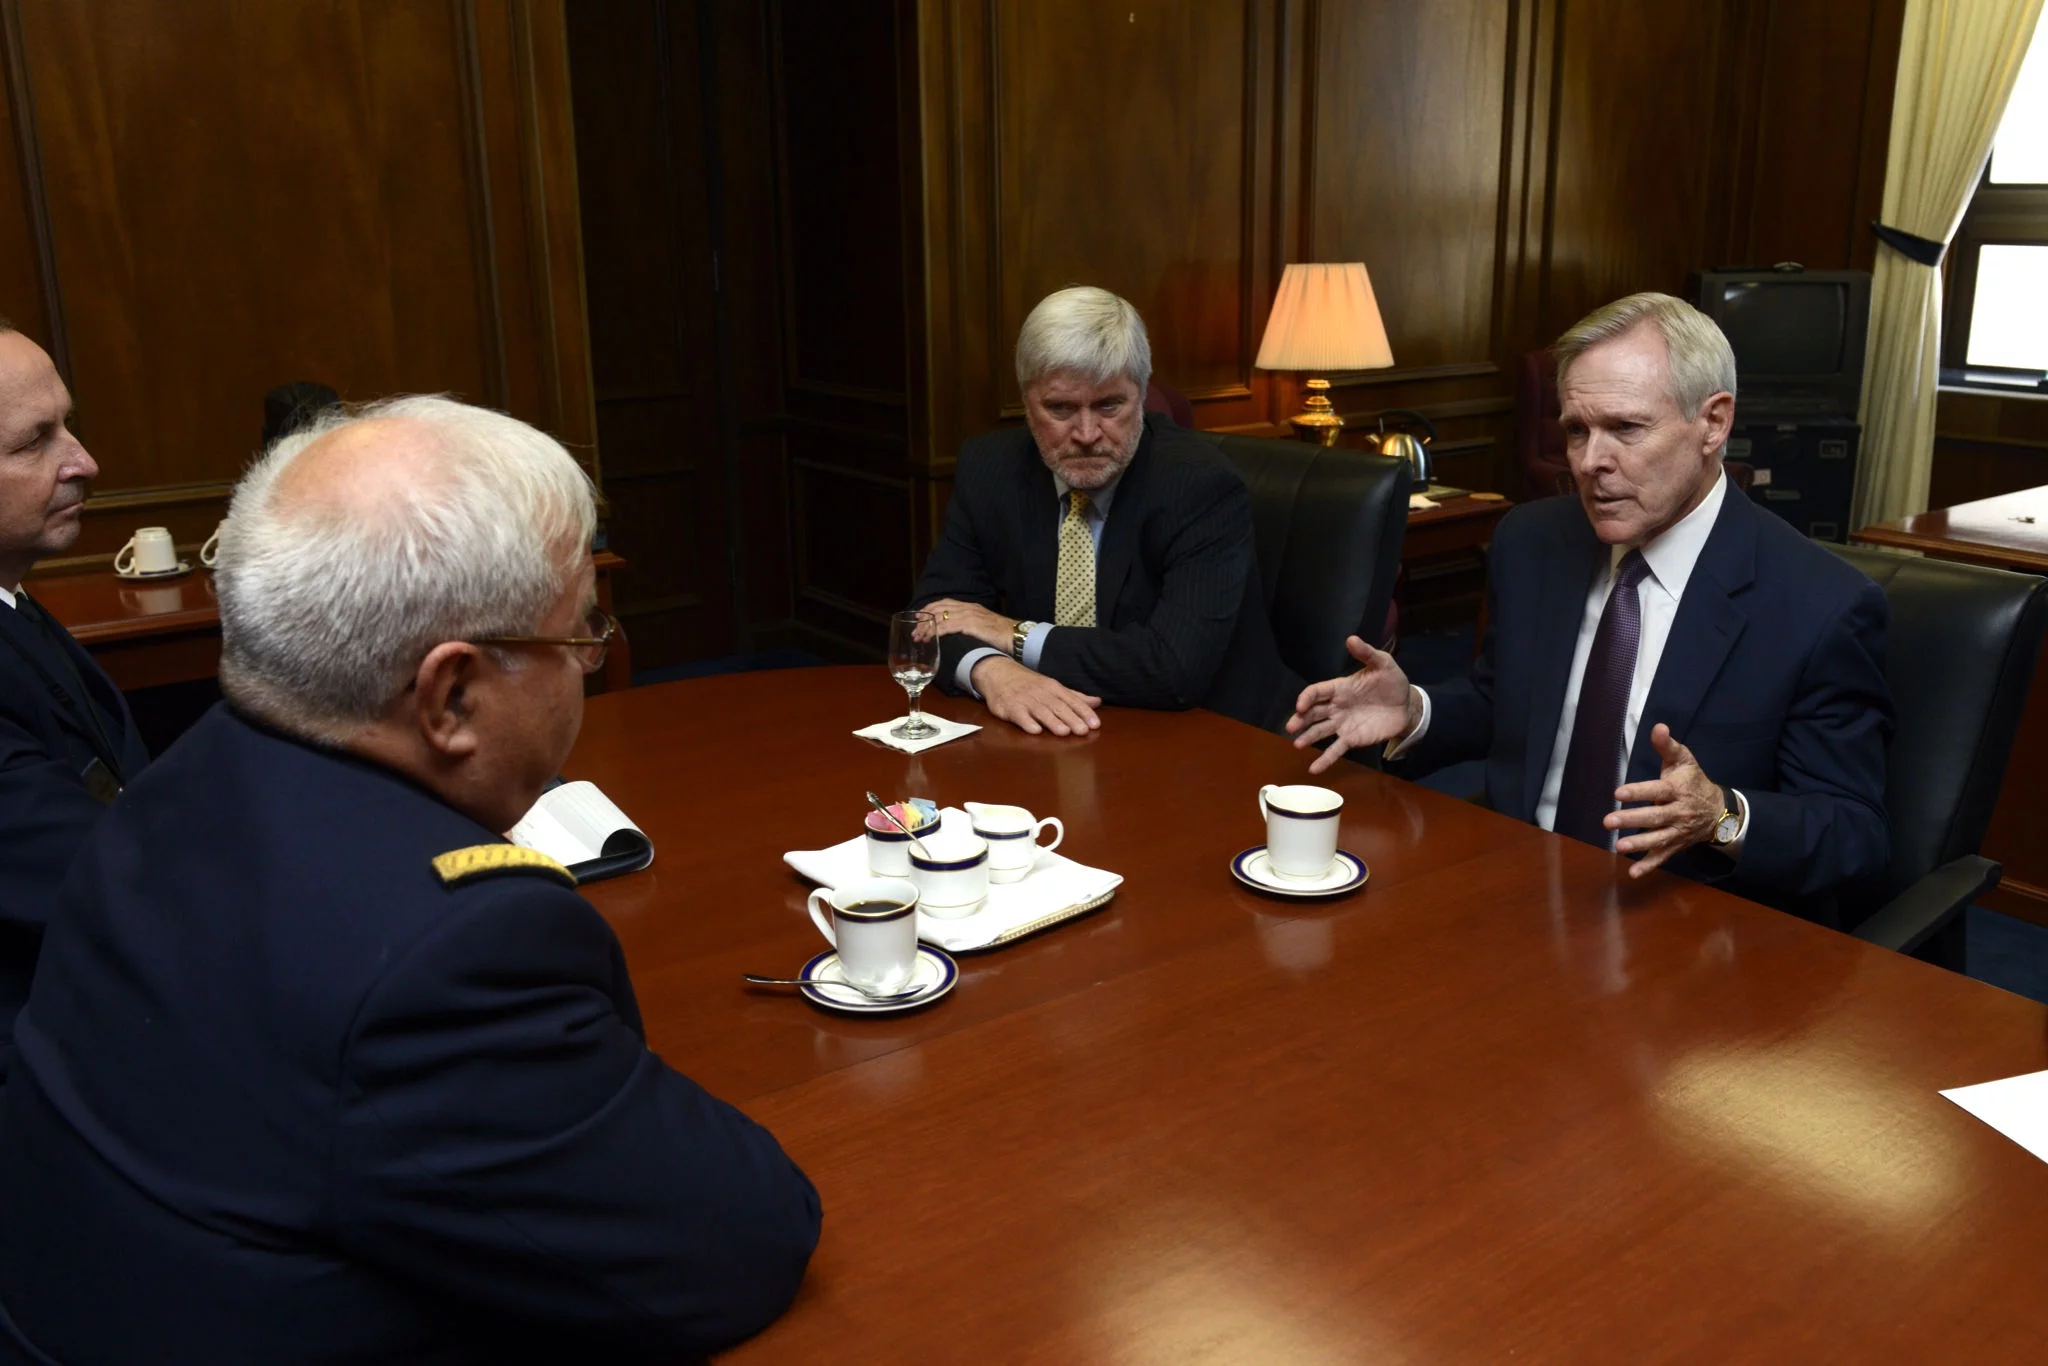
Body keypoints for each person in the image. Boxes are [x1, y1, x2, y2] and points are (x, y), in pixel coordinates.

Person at [0, 397, 820, 1362]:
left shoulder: (179, 783)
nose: (591, 663)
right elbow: (740, 1242)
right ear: (452, 694)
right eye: (580, 633)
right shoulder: (449, 957)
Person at [1287, 293, 1893, 924]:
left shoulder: (1820, 604)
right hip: (1515, 894)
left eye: (1626, 429)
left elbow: (1856, 836)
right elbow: (1509, 709)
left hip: (1683, 928)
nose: (1589, 462)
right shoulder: (1532, 542)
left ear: (1712, 423)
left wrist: (1719, 815)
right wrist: (1417, 711)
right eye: (1576, 430)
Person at [913, 285, 1300, 734]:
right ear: (1026, 403)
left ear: (1141, 393)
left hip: (1209, 735)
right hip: (1060, 731)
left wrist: (1011, 634)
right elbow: (931, 616)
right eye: (1059, 408)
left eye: (1109, 405)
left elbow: (1172, 668)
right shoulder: (990, 468)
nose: (1086, 433)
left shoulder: (1199, 486)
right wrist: (992, 671)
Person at [0, 321, 149, 1084]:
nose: (84, 462)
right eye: (34, 443)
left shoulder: (12, 599)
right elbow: (89, 880)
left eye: (70, 426)